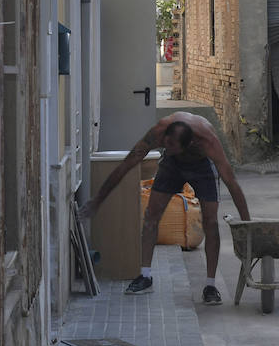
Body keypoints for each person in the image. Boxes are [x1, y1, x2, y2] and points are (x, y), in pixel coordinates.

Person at [83, 111, 250, 304]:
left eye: (172, 146)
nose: (166, 148)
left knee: (211, 222)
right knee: (151, 215)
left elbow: (232, 183)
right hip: (172, 166)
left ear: (190, 144)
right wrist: (97, 200)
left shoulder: (207, 141)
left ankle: (210, 285)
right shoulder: (160, 132)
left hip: (201, 167)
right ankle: (145, 275)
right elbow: (127, 164)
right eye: (166, 144)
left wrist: (248, 226)